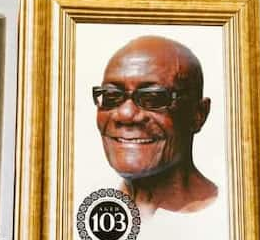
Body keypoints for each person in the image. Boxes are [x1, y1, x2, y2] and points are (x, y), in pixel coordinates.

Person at [93, 35, 217, 217]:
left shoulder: (230, 215)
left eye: (152, 98)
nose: (125, 114)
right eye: (111, 96)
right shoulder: (87, 211)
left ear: (198, 114)